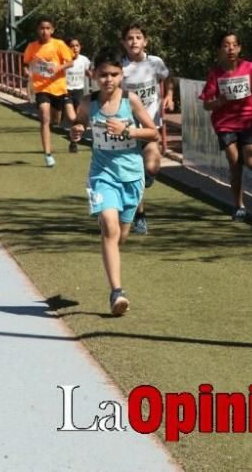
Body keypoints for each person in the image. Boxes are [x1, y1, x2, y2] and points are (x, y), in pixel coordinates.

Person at [69, 47, 158, 316]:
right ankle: (117, 293)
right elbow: (79, 124)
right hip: (102, 175)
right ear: (94, 75)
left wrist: (127, 130)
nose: (108, 79)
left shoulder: (130, 101)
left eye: (114, 74)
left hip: (131, 176)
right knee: (109, 227)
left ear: (121, 75)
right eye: (103, 74)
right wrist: (77, 131)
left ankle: (112, 259)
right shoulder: (88, 101)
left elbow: (153, 133)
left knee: (120, 235)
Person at [198, 31, 252, 221]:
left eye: (234, 44)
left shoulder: (250, 68)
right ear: (220, 49)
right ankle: (239, 205)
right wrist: (218, 103)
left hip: (247, 121)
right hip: (225, 124)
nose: (230, 48)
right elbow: (206, 104)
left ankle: (243, 153)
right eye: (226, 45)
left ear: (239, 48)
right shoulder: (215, 73)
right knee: (235, 164)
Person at [120, 22, 174, 234]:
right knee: (135, 175)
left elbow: (168, 77)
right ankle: (139, 215)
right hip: (128, 129)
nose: (134, 41)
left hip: (151, 126)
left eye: (138, 37)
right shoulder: (120, 68)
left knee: (151, 168)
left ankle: (147, 176)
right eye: (130, 38)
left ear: (145, 41)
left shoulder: (155, 63)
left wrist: (169, 96)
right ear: (124, 43)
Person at [22, 17, 75, 167]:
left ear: (52, 30)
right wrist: (28, 73)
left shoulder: (59, 44)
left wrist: (58, 68)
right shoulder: (32, 47)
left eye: (47, 28)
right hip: (41, 88)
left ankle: (54, 126)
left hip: (58, 88)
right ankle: (47, 154)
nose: (44, 31)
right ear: (37, 30)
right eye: (41, 28)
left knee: (55, 121)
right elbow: (26, 64)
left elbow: (70, 62)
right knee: (44, 116)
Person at [64, 37, 92, 153]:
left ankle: (73, 142)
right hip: (66, 92)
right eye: (72, 46)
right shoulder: (63, 60)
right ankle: (73, 139)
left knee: (78, 119)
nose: (75, 48)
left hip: (79, 91)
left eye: (77, 46)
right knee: (72, 117)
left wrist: (95, 76)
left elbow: (87, 72)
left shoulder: (84, 60)